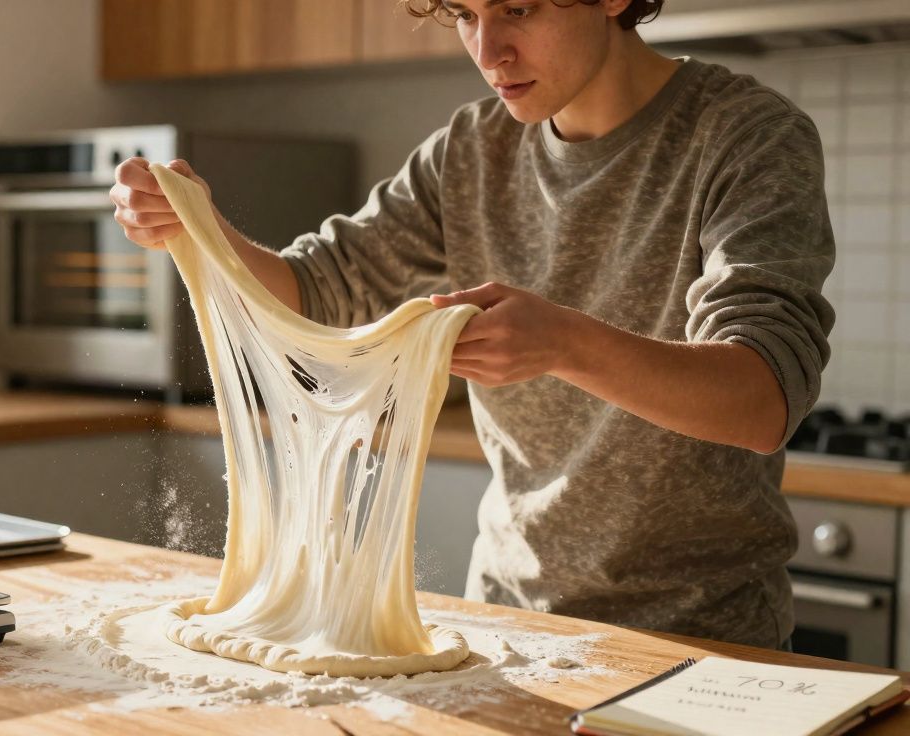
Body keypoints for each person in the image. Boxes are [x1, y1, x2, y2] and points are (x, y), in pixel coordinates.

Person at [109, 0, 834, 651]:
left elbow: (762, 399)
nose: (489, 52)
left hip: (705, 642)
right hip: (518, 625)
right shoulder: (469, 151)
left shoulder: (745, 136)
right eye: (464, 14)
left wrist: (565, 342)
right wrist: (199, 228)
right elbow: (315, 289)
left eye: (517, 9)